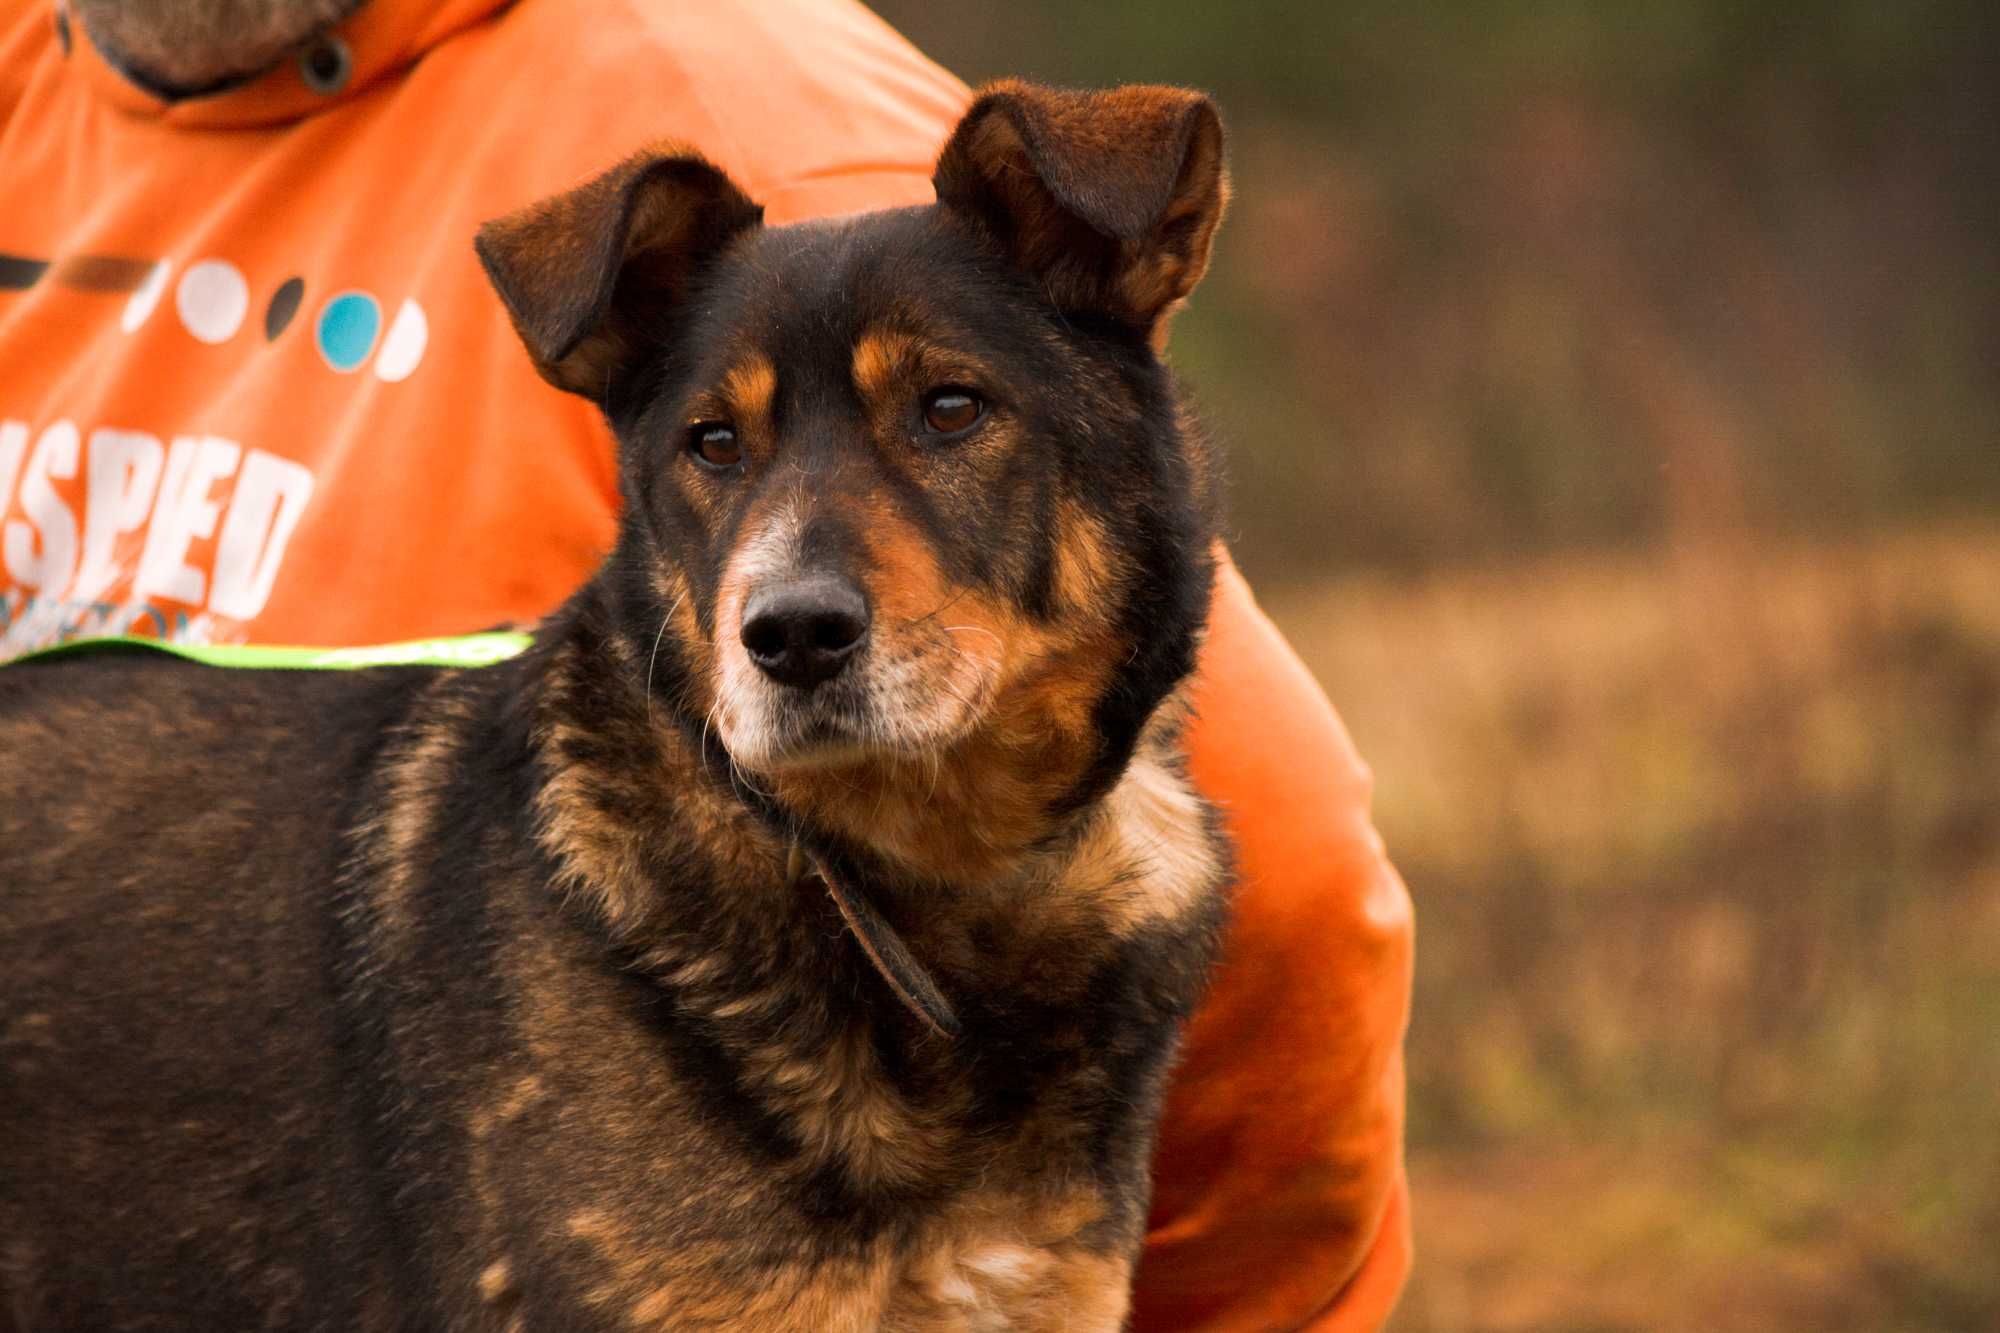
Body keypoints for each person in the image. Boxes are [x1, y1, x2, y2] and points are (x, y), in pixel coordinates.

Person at [0, 0, 1415, 1325]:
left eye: (943, 412)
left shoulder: (761, 111)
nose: (791, 595)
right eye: (720, 447)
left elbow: (1292, 876)